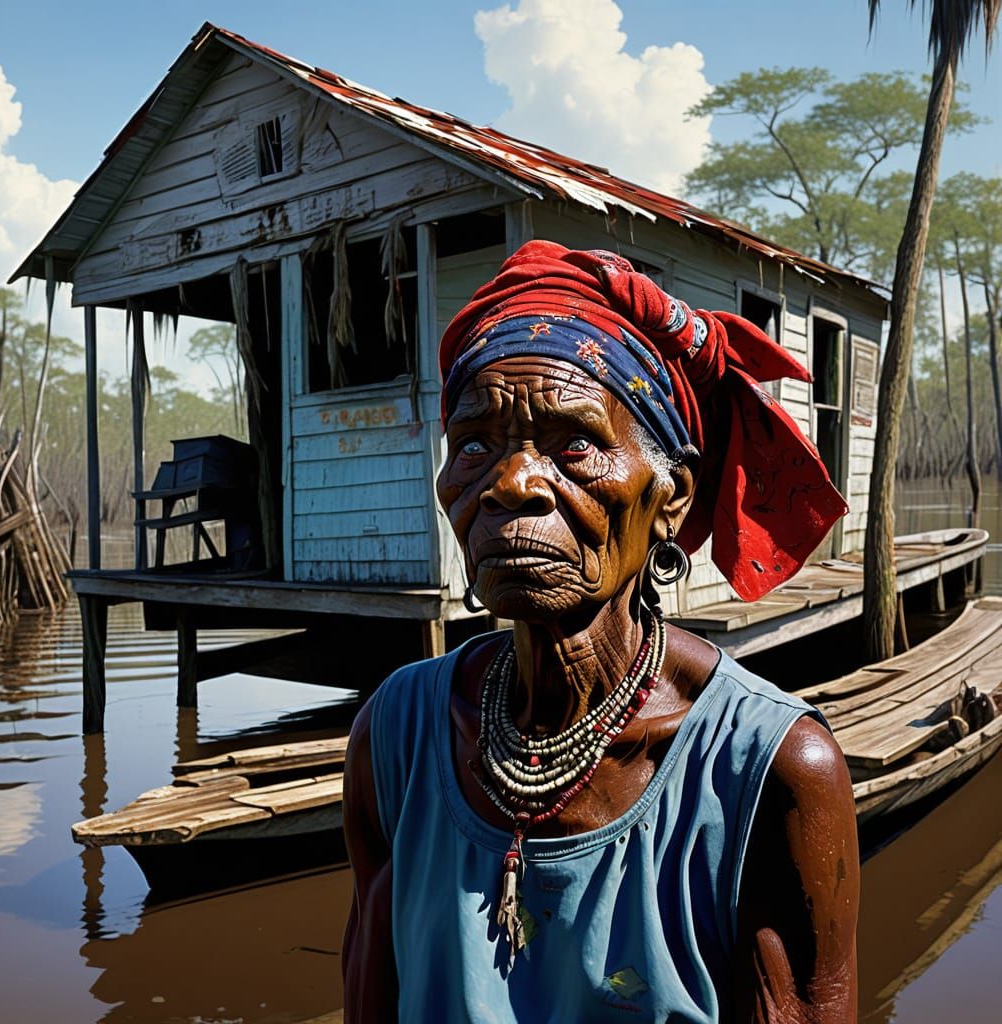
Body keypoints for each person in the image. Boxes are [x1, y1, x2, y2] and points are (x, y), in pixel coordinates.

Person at [342, 241, 860, 1023]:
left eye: (574, 445)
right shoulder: (394, 736)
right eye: (475, 444)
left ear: (672, 498)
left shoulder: (774, 774)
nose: (511, 484)